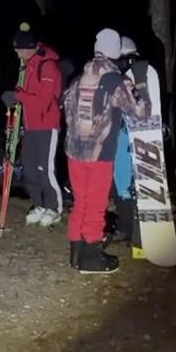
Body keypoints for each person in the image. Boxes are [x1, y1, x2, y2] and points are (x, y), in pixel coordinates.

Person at [63, 28, 149, 274]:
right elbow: (141, 112)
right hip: (99, 154)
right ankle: (91, 257)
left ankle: (76, 252)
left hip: (74, 152)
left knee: (81, 202)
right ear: (115, 52)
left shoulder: (78, 78)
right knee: (96, 204)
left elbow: (66, 108)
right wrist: (140, 82)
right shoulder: (115, 80)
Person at [5, 22, 64, 227]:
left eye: (19, 49)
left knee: (45, 169)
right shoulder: (27, 66)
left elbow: (44, 101)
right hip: (30, 126)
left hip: (47, 125)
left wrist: (19, 96)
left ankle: (54, 208)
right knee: (29, 168)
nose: (16, 53)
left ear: (29, 48)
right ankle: (39, 204)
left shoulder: (48, 67)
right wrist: (14, 98)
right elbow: (24, 94)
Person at [111, 36, 166, 242]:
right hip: (121, 137)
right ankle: (126, 226)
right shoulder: (120, 77)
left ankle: (140, 230)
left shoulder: (141, 74)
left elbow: (146, 107)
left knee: (131, 183)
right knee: (121, 183)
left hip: (134, 137)